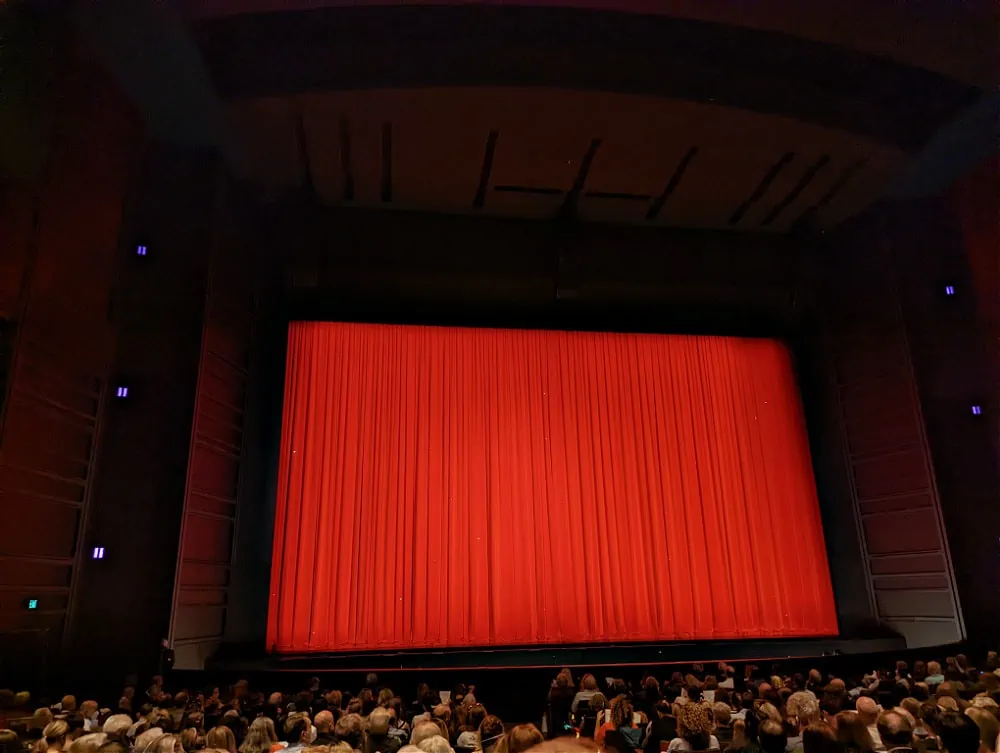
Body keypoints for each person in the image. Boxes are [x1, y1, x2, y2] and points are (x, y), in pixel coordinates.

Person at [548, 672, 575, 739]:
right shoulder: (571, 693)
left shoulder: (553, 693)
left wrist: (552, 688)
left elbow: (548, 699)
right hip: (567, 722)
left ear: (557, 682)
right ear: (566, 682)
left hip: (556, 724)